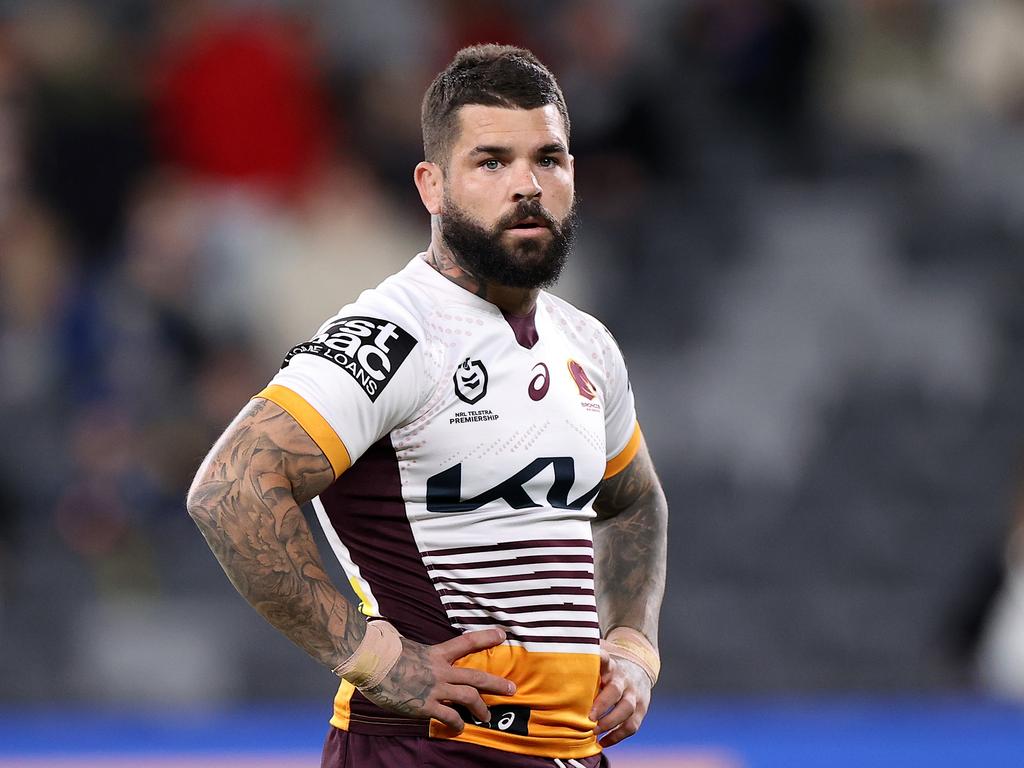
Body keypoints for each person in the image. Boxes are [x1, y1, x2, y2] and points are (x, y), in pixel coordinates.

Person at [187, 44, 667, 767]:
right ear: (432, 186)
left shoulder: (587, 344)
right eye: (491, 162)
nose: (527, 185)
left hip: (570, 750)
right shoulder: (392, 334)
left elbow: (634, 503)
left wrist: (632, 647)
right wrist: (373, 658)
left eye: (550, 158)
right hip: (428, 750)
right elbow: (230, 491)